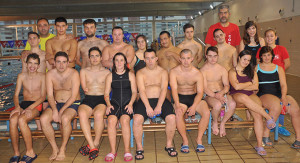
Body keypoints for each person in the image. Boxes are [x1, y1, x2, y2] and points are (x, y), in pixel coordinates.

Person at [229, 50, 276, 155]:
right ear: (239, 58)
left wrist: (245, 85)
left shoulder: (252, 72)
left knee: (258, 116)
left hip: (251, 95)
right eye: (244, 59)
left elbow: (256, 87)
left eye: (248, 60)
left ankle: (259, 145)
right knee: (243, 97)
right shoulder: (232, 71)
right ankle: (268, 117)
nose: (246, 62)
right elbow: (236, 87)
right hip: (237, 96)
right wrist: (249, 83)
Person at [133, 49, 177, 160]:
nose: (150, 61)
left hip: (160, 100)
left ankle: (169, 144)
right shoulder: (140, 73)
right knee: (137, 119)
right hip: (145, 100)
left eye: (152, 58)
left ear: (156, 58)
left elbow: (163, 90)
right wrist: (147, 107)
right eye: (147, 58)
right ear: (144, 60)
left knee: (171, 118)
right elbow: (141, 91)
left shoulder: (162, 72)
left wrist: (159, 106)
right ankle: (139, 147)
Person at [257, 46, 300, 149]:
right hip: (263, 95)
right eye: (264, 55)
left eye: (268, 55)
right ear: (261, 57)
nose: (267, 57)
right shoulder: (256, 68)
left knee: (296, 109)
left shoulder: (278, 68)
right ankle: (265, 135)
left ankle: (298, 138)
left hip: (278, 94)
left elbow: (284, 85)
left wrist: (284, 96)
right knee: (276, 105)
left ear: (272, 56)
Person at [40, 52, 81, 161]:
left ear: (68, 63)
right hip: (56, 103)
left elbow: (73, 96)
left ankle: (62, 148)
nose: (61, 65)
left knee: (65, 118)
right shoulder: (50, 74)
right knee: (43, 119)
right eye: (58, 62)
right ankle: (54, 148)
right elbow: (49, 95)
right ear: (54, 63)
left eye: (64, 62)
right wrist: (54, 109)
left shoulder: (74, 73)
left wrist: (61, 111)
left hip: (72, 103)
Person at [169, 49, 210, 153]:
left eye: (188, 58)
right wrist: (177, 105)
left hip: (193, 97)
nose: (186, 61)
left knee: (206, 112)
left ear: (192, 59)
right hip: (180, 97)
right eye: (183, 58)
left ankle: (199, 139)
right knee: (178, 114)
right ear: (179, 59)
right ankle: (185, 141)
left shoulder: (197, 73)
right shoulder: (174, 72)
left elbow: (200, 92)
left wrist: (194, 106)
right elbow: (173, 90)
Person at [9, 54, 46, 163]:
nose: (32, 66)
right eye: (30, 63)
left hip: (36, 104)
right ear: (26, 63)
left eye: (35, 63)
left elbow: (43, 96)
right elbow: (16, 95)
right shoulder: (21, 76)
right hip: (24, 104)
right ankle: (16, 153)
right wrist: (17, 107)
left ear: (38, 66)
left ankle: (30, 152)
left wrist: (30, 108)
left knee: (21, 120)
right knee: (12, 119)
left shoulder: (42, 76)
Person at [77, 47, 110, 160]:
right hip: (88, 98)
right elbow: (84, 88)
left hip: (101, 99)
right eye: (92, 56)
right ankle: (92, 146)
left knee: (98, 115)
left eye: (97, 56)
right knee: (82, 114)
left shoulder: (106, 72)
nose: (94, 58)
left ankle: (94, 144)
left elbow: (109, 89)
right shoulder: (84, 71)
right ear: (89, 58)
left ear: (101, 58)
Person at [104, 53, 137, 162]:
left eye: (121, 60)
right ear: (114, 62)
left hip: (128, 103)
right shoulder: (110, 76)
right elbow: (106, 94)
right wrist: (108, 105)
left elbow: (134, 92)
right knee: (111, 120)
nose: (119, 63)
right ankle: (113, 151)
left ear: (125, 62)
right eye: (117, 60)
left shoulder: (131, 75)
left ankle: (127, 150)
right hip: (115, 103)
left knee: (124, 120)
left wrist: (131, 104)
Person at [200, 46, 236, 137]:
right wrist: (216, 96)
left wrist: (221, 93)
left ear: (218, 56)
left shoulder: (222, 69)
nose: (213, 58)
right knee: (217, 105)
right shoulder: (202, 70)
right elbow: (204, 88)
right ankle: (215, 122)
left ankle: (223, 123)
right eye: (210, 56)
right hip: (209, 95)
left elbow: (227, 85)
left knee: (232, 104)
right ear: (206, 56)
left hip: (221, 92)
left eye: (215, 56)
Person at [157, 31, 181, 101]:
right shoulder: (158, 53)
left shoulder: (178, 50)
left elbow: (184, 63)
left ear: (170, 38)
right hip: (164, 82)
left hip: (177, 82)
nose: (163, 41)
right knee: (167, 102)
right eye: (161, 39)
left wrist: (173, 54)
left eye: (165, 38)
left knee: (178, 102)